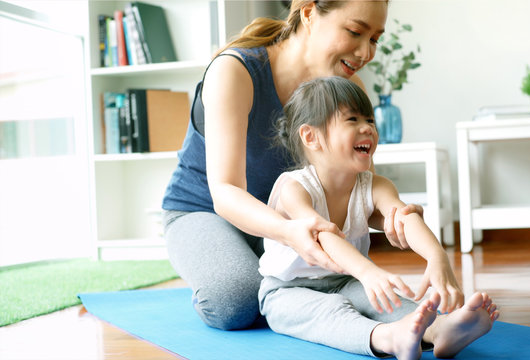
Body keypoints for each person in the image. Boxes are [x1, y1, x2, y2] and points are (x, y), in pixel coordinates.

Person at [161, 0, 422, 331]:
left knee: (359, 287)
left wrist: (395, 217)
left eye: (374, 39)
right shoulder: (234, 71)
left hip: (295, 220)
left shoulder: (349, 90)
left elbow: (358, 191)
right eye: (355, 32)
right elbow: (225, 192)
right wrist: (287, 232)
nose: (365, 52)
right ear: (310, 13)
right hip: (202, 210)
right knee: (234, 301)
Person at [258, 76, 499, 359]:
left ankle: (440, 331)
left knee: (388, 301)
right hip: (286, 290)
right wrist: (368, 272)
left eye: (370, 120)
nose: (367, 128)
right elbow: (323, 236)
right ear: (311, 137)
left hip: (346, 280)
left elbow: (404, 217)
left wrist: (437, 257)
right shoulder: (294, 189)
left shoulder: (375, 185)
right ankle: (387, 338)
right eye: (352, 120)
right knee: (331, 313)